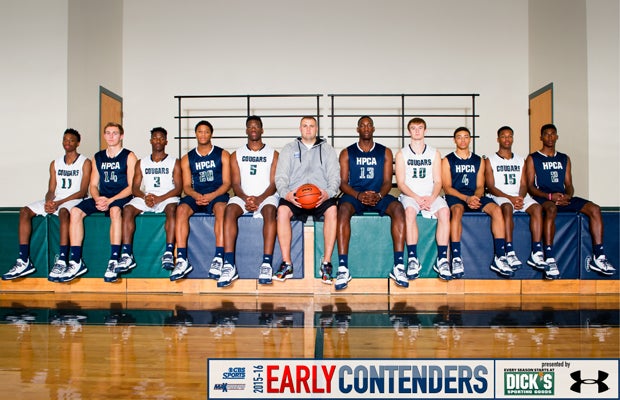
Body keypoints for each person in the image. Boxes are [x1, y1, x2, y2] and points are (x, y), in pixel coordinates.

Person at [526, 123, 616, 277]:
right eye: (546, 134)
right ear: (541, 137)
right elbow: (530, 186)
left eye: (552, 134)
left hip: (562, 197)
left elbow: (569, 185)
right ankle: (549, 257)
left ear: (557, 137)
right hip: (543, 197)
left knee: (594, 209)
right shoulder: (533, 158)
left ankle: (599, 256)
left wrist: (567, 195)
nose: (550, 137)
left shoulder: (564, 158)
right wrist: (549, 197)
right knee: (551, 209)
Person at [2, 129, 91, 281]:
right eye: (65, 139)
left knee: (64, 212)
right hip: (57, 199)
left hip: (73, 200)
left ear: (78, 143)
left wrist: (58, 203)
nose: (67, 142)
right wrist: (49, 201)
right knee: (24, 211)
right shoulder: (55, 163)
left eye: (71, 140)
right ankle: (23, 260)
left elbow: (83, 191)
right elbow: (51, 189)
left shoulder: (85, 162)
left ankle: (62, 260)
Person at [335, 116, 405, 289]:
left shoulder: (385, 151)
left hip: (378, 194)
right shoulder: (347, 152)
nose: (366, 128)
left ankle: (399, 266)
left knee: (398, 208)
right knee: (342, 210)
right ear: (357, 129)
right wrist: (358, 196)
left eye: (369, 125)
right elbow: (342, 183)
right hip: (355, 195)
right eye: (362, 125)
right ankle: (343, 268)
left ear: (373, 129)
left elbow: (388, 181)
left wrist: (379, 196)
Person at [64, 122, 137, 283]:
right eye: (108, 133)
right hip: (102, 197)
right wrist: (97, 198)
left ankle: (114, 260)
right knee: (75, 211)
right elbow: (93, 185)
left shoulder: (129, 156)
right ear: (104, 136)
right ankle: (76, 261)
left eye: (115, 133)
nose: (111, 136)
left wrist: (110, 200)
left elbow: (132, 187)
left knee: (115, 211)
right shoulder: (97, 157)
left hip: (121, 196)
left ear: (121, 136)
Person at [441, 127, 513, 280]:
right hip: (456, 195)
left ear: (470, 139)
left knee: (497, 210)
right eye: (459, 137)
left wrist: (475, 197)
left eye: (466, 137)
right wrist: (466, 199)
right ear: (454, 140)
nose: (462, 140)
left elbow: (481, 185)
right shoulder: (447, 160)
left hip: (474, 196)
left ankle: (500, 256)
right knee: (457, 211)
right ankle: (456, 258)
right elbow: (447, 187)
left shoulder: (478, 160)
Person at [275, 116, 340, 282]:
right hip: (295, 196)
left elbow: (335, 178)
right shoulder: (289, 149)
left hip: (320, 196)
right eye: (305, 126)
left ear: (316, 128)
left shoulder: (327, 150)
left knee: (332, 210)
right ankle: (287, 263)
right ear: (300, 128)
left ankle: (326, 263)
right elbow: (280, 177)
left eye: (312, 126)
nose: (308, 129)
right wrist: (287, 194)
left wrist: (328, 192)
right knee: (282, 211)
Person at [115, 127, 182, 279]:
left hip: (167, 197)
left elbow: (178, 188)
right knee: (128, 210)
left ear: (166, 141)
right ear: (150, 141)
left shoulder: (174, 162)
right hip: (148, 196)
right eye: (155, 138)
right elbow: (135, 188)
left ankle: (169, 252)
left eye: (161, 138)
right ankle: (126, 254)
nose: (157, 141)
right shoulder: (141, 162)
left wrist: (160, 198)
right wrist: (145, 197)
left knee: (172, 209)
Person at [221, 116, 279, 287]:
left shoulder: (273, 154)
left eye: (256, 126)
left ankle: (266, 264)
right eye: (250, 127)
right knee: (229, 211)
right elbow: (235, 183)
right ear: (246, 130)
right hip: (243, 195)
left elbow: (274, 183)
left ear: (262, 130)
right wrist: (246, 199)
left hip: (266, 195)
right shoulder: (236, 154)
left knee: (269, 211)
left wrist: (259, 200)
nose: (253, 129)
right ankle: (229, 264)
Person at [171, 120, 231, 281]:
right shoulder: (187, 158)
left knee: (221, 209)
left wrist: (211, 196)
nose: (203, 134)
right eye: (200, 131)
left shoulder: (223, 154)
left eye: (206, 131)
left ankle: (219, 257)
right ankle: (182, 259)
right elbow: (186, 186)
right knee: (181, 210)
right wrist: (196, 196)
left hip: (217, 194)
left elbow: (227, 183)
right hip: (196, 194)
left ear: (211, 134)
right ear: (196, 134)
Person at [484, 126, 548, 274]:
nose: (507, 139)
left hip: (519, 196)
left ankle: (537, 252)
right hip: (500, 196)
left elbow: (525, 184)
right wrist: (510, 198)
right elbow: (491, 186)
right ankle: (509, 250)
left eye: (510, 136)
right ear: (498, 139)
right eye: (504, 136)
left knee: (538, 208)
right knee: (506, 207)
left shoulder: (521, 160)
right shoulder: (490, 160)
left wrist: (520, 197)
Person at [395, 117, 450, 283]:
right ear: (409, 131)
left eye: (420, 128)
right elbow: (401, 183)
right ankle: (413, 259)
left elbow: (438, 181)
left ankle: (442, 260)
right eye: (413, 128)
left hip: (430, 194)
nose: (417, 131)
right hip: (410, 196)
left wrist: (431, 198)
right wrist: (417, 198)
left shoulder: (434, 153)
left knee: (445, 212)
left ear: (425, 131)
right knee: (410, 212)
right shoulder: (401, 154)